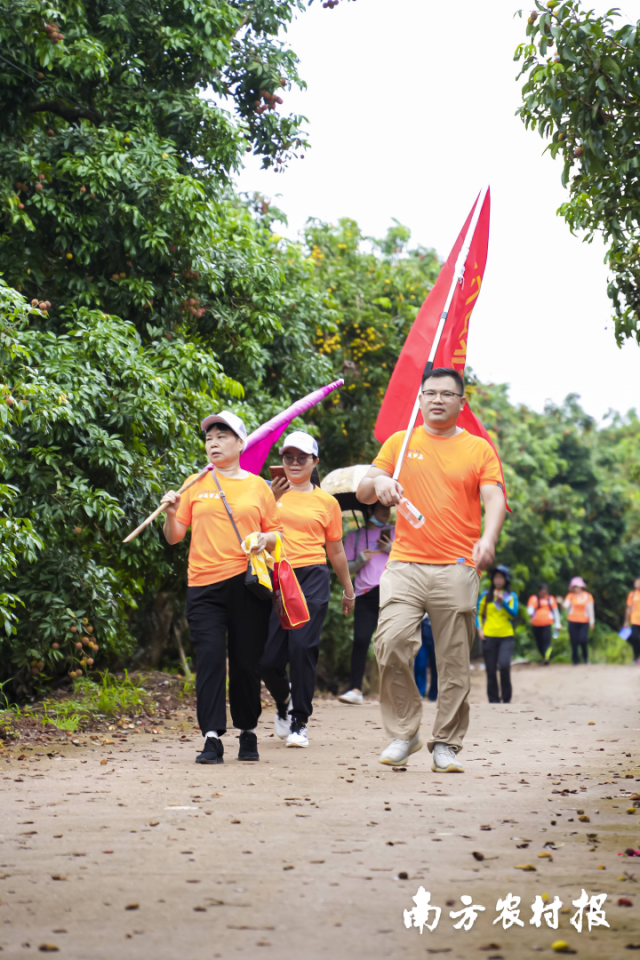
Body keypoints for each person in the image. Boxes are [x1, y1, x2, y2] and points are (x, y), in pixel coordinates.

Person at [356, 367, 507, 772]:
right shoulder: (401, 442)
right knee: (389, 643)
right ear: (419, 399)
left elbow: (493, 498)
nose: (437, 399)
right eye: (430, 393)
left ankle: (446, 744)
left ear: (461, 402)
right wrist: (382, 483)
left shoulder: (478, 449)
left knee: (454, 661)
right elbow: (364, 488)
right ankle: (404, 732)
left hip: (457, 566)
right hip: (404, 564)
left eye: (446, 393)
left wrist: (488, 538)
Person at [161, 411, 281, 765]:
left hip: (246, 585)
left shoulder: (258, 486)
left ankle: (247, 731)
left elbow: (278, 536)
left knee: (246, 662)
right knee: (211, 658)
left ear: (241, 443)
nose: (213, 443)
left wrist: (264, 538)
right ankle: (211, 737)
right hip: (203, 586)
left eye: (222, 436)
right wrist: (171, 512)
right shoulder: (194, 483)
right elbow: (174, 538)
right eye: (209, 438)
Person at [260, 431, 354, 748]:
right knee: (268, 660)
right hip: (276, 576)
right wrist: (270, 499)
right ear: (282, 461)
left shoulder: (327, 503)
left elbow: (336, 550)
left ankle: (300, 722)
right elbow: (248, 530)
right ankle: (284, 700)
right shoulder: (268, 493)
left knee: (302, 648)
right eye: (289, 457)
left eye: (302, 458)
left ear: (314, 462)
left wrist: (349, 590)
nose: (295, 463)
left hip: (312, 576)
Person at [339, 502, 395, 704]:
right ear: (370, 511)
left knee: (393, 642)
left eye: (388, 510)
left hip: (392, 593)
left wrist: (391, 549)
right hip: (365, 594)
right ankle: (355, 689)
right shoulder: (354, 537)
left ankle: (395, 691)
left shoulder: (395, 532)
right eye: (382, 509)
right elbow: (346, 569)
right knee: (361, 640)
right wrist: (360, 561)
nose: (386, 514)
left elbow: (407, 560)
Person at [477, 565, 519, 704]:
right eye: (496, 577)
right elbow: (477, 613)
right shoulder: (486, 596)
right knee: (490, 670)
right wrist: (479, 629)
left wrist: (502, 602)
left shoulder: (511, 596)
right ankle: (493, 701)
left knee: (504, 665)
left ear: (506, 580)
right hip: (489, 636)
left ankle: (506, 699)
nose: (498, 580)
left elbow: (513, 614)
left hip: (506, 636)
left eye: (501, 577)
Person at [562, 576, 595, 664]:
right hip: (572, 621)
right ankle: (575, 660)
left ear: (581, 587)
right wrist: (561, 602)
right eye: (574, 587)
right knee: (574, 641)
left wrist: (592, 621)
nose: (576, 588)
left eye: (577, 586)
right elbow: (566, 606)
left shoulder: (588, 596)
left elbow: (590, 609)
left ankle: (585, 658)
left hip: (584, 621)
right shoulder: (570, 596)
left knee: (583, 639)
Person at [526, 583, 560, 663]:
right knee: (539, 641)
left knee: (546, 641)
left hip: (547, 624)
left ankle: (546, 658)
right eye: (542, 591)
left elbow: (555, 612)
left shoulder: (550, 599)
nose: (544, 593)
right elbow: (530, 609)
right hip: (536, 624)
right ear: (539, 591)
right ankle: (542, 656)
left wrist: (557, 623)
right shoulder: (533, 599)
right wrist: (530, 614)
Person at [414, 614, 438, 701]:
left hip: (436, 629)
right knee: (420, 664)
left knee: (436, 665)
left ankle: (434, 695)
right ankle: (420, 693)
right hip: (420, 628)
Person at [623, 576, 640, 663]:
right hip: (635, 620)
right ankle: (636, 656)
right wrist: (626, 621)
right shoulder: (632, 594)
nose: (637, 584)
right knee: (634, 638)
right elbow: (628, 608)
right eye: (636, 582)